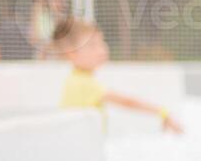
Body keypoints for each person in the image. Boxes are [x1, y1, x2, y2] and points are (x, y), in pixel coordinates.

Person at [53, 18, 184, 133]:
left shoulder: (77, 79)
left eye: (101, 42)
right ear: (72, 54)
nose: (102, 49)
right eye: (92, 45)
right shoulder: (83, 83)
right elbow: (128, 102)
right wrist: (162, 113)